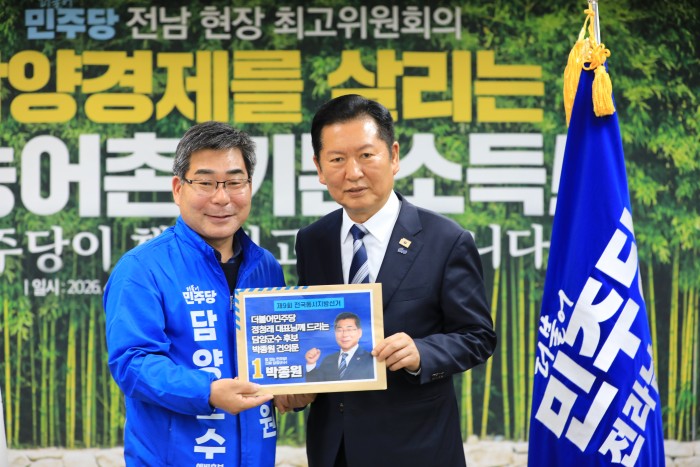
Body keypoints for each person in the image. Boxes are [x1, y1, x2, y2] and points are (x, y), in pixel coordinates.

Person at [279, 94, 497, 467]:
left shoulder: (446, 240)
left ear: (393, 156)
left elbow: (477, 337)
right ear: (319, 167)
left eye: (366, 155)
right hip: (334, 448)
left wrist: (422, 353)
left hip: (417, 447)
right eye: (337, 159)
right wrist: (296, 385)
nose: (353, 172)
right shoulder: (313, 240)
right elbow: (316, 333)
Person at [104, 121, 285, 466]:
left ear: (249, 186)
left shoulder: (266, 267)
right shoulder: (142, 268)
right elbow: (133, 363)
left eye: (234, 182)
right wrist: (208, 391)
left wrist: (292, 392)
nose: (221, 197)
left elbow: (277, 357)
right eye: (205, 182)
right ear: (178, 188)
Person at [306, 312, 375, 382]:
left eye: (349, 329)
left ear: (359, 333)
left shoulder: (370, 360)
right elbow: (316, 385)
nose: (344, 335)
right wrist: (311, 364)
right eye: (339, 330)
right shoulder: (328, 360)